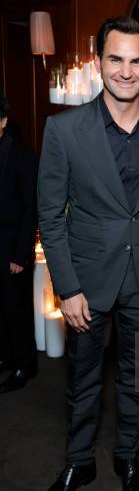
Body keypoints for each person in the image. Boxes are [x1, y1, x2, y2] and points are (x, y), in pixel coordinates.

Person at [36, 16, 139, 491]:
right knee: (82, 378)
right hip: (87, 283)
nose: (126, 70)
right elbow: (50, 215)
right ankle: (77, 462)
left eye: (136, 60)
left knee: (137, 378)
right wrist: (66, 287)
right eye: (116, 59)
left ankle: (127, 459)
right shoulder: (64, 129)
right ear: (99, 64)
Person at [0, 96, 38, 393]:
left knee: (18, 309)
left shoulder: (23, 157)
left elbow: (30, 208)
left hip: (13, 249)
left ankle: (25, 365)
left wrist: (21, 255)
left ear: (2, 122)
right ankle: (7, 356)